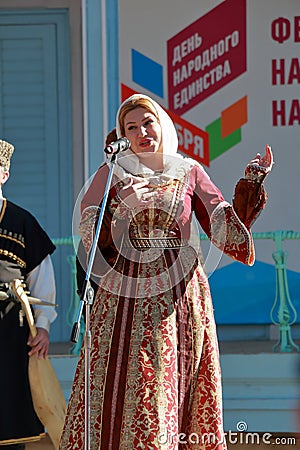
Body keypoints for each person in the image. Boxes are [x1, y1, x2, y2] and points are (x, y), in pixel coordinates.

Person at [60, 93, 273, 450]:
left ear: (162, 124)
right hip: (121, 298)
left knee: (166, 380)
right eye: (131, 127)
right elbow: (90, 229)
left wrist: (251, 184)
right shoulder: (113, 172)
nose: (142, 131)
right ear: (121, 135)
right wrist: (123, 205)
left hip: (179, 299)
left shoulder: (188, 171)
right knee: (123, 382)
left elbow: (222, 226)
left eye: (148, 122)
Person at [0, 140, 57, 449]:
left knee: (11, 410)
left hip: (13, 334)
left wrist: (45, 326)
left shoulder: (23, 222)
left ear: (4, 174)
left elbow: (42, 279)